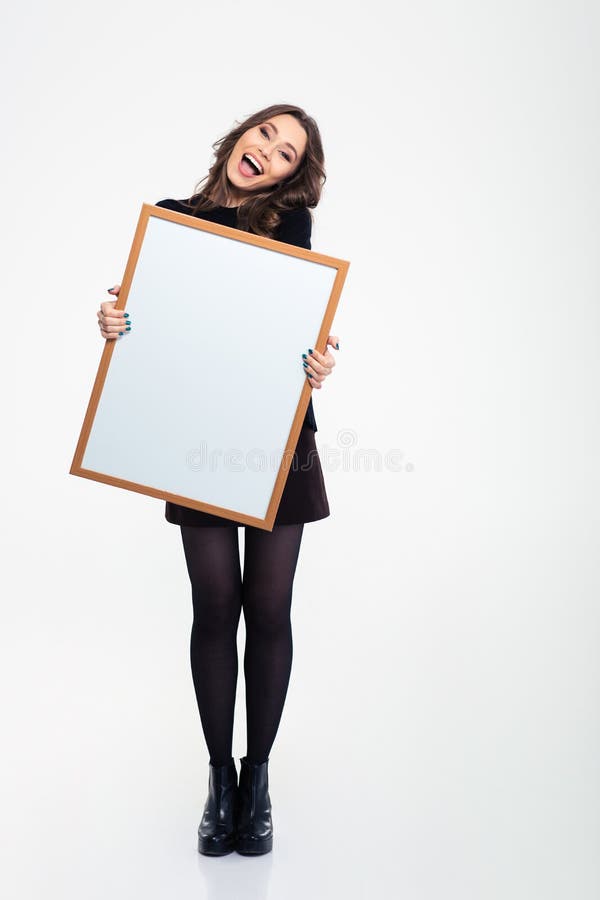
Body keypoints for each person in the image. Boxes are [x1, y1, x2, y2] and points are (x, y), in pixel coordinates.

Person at [96, 104, 340, 857]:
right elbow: (158, 333)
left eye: (287, 152)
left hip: (277, 443)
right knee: (214, 608)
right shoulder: (169, 222)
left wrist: (318, 357)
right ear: (239, 136)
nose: (267, 151)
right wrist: (118, 322)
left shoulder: (288, 232)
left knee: (269, 612)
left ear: (295, 178)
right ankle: (219, 779)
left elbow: (288, 327)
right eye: (264, 133)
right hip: (194, 441)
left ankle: (257, 778)